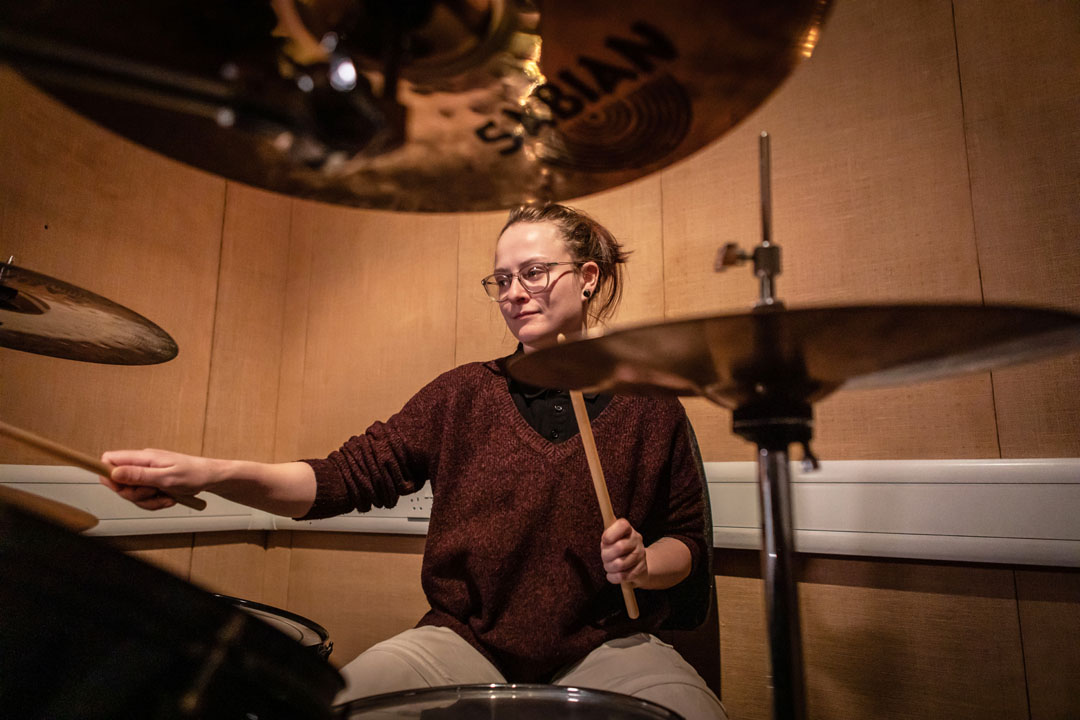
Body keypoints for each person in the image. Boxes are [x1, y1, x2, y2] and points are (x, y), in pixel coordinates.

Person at [101, 203, 728, 720]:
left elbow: (689, 546)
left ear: (588, 277)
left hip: (607, 643)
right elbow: (339, 478)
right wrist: (208, 473)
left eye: (533, 273)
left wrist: (644, 564)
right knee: (336, 708)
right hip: (463, 640)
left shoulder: (653, 404)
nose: (514, 293)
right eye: (502, 279)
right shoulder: (462, 394)